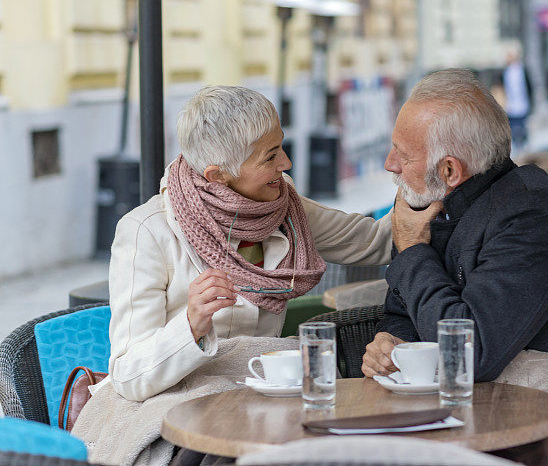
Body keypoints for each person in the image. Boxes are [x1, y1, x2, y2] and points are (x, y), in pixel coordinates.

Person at [361, 69, 548, 465]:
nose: (389, 164)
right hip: (457, 408)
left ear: (450, 170)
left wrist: (413, 249)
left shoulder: (532, 210)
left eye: (402, 153)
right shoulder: (429, 204)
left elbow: (470, 352)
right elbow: (401, 311)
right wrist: (390, 345)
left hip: (547, 416)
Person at [105, 86, 392, 404]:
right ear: (219, 175)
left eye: (281, 146)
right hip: (182, 408)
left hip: (265, 399)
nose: (286, 162)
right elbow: (127, 374)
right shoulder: (145, 231)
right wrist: (191, 324)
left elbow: (374, 242)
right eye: (270, 157)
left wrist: (425, 191)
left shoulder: (283, 203)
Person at [501, 47, 534, 149]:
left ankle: (523, 142)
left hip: (522, 103)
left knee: (522, 125)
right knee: (513, 126)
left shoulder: (522, 70)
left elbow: (529, 87)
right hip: (510, 104)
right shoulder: (505, 72)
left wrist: (531, 102)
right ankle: (516, 143)